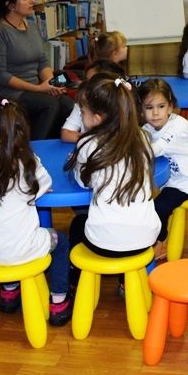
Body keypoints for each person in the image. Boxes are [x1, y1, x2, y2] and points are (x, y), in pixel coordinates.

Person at [0, 98, 72, 327]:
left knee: (3, 230)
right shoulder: (27, 162)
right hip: (19, 249)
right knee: (61, 241)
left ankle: (9, 291)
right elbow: (45, 183)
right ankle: (59, 300)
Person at [66, 76, 159, 289]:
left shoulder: (88, 143)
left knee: (78, 224)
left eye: (83, 112)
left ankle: (75, 283)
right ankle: (126, 283)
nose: (81, 116)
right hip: (146, 237)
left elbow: (84, 182)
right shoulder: (143, 137)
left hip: (104, 242)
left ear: (97, 118)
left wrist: (78, 166)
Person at [137, 78, 188, 260]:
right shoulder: (146, 129)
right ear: (142, 110)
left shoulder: (179, 124)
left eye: (161, 106)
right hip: (177, 181)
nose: (155, 113)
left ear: (170, 107)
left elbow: (154, 150)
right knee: (158, 208)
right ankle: (160, 241)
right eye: (149, 107)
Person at [0, 0, 74, 141]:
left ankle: (51, 147)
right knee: (49, 105)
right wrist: (38, 89)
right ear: (10, 5)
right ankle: (32, 150)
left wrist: (51, 84)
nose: (32, 1)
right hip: (4, 92)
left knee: (67, 104)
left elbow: (42, 61)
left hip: (32, 89)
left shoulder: (32, 26)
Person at [60, 59, 125, 142]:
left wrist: (87, 140)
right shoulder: (82, 104)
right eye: (86, 80)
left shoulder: (119, 108)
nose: (86, 85)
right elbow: (66, 133)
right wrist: (90, 140)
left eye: (92, 81)